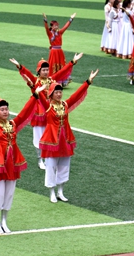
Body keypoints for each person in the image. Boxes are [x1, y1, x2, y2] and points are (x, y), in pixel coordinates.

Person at [0, 83, 45, 234]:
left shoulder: (13, 124)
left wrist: (35, 95)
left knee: (9, 192)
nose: (5, 112)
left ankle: (4, 221)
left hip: (12, 161)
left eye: (6, 109)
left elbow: (24, 113)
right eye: (2, 109)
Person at [36, 70, 99, 203]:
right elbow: (39, 98)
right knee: (51, 166)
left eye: (60, 92)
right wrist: (38, 91)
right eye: (56, 92)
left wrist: (88, 81)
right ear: (51, 94)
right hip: (52, 140)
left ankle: (60, 191)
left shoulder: (65, 105)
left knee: (64, 166)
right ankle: (52, 192)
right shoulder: (48, 106)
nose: (59, 94)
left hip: (65, 140)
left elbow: (76, 96)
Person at [10, 54, 82, 170]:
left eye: (47, 69)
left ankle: (50, 158)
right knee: (38, 136)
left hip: (52, 112)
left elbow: (62, 72)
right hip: (39, 112)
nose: (45, 72)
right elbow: (27, 75)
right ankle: (40, 159)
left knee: (51, 135)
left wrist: (72, 62)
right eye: (43, 70)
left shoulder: (52, 80)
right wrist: (20, 67)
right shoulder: (36, 81)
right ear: (38, 71)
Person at [44, 13, 76, 86]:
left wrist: (71, 19)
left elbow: (65, 27)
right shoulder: (50, 34)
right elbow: (46, 28)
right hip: (54, 52)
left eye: (57, 25)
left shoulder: (59, 33)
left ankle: (62, 80)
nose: (57, 27)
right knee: (53, 65)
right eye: (55, 25)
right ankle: (53, 80)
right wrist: (45, 21)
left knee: (62, 66)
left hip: (59, 52)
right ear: (52, 26)